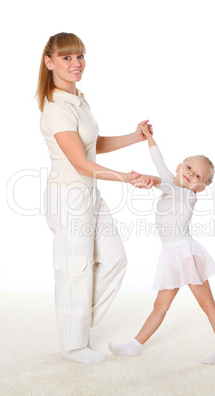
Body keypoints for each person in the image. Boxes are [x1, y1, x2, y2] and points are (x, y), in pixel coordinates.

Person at [36, 32, 154, 364]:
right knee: (75, 270)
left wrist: (135, 136)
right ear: (49, 63)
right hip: (69, 196)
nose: (76, 64)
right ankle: (72, 345)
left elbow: (92, 144)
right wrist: (127, 178)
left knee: (115, 259)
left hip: (89, 192)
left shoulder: (78, 100)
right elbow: (80, 163)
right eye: (67, 57)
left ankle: (77, 327)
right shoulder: (57, 108)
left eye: (80, 56)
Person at [109, 124, 215, 364]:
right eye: (188, 168)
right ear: (179, 167)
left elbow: (162, 183)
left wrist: (153, 180)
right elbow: (158, 161)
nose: (190, 174)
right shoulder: (172, 180)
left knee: (207, 304)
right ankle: (135, 345)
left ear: (201, 186)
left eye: (197, 176)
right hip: (170, 255)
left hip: (187, 254)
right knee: (160, 305)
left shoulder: (188, 195)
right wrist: (147, 136)